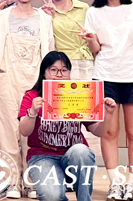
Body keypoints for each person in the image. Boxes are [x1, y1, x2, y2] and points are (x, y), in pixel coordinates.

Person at [76, 0, 133, 201]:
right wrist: (90, 39)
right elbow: (95, 51)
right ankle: (115, 184)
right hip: (105, 76)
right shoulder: (93, 12)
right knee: (109, 132)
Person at [18, 51, 115, 201]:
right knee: (52, 195)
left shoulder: (78, 95)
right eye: (53, 70)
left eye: (64, 70)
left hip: (73, 155)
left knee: (81, 151)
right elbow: (24, 131)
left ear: (69, 73)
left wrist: (108, 114)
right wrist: (32, 112)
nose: (59, 75)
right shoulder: (32, 96)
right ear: (44, 72)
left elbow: (99, 131)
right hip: (42, 156)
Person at [0, 0, 54, 199]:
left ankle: (31, 182)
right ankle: (10, 183)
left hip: (34, 82)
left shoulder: (44, 19)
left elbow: (49, 51)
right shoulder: (1, 17)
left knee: (32, 132)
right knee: (6, 133)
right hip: (6, 80)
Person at [38, 0, 99, 160]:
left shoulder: (84, 8)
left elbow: (95, 37)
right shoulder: (43, 12)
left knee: (87, 113)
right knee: (63, 117)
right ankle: (61, 159)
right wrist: (49, 19)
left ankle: (86, 161)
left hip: (86, 64)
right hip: (61, 69)